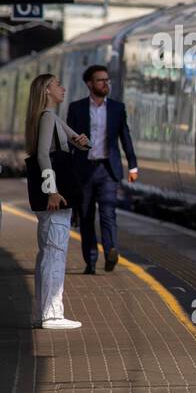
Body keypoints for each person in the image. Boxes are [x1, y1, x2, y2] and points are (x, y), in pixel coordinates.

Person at [24, 73, 90, 329]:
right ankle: (52, 314)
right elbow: (43, 155)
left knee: (47, 253)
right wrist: (52, 190)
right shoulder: (48, 117)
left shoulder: (46, 118)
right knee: (54, 252)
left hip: (48, 196)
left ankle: (42, 313)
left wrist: (83, 142)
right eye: (58, 85)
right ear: (46, 91)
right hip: (54, 196)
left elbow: (80, 143)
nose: (63, 88)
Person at [67, 64, 138, 274]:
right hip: (84, 170)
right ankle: (90, 260)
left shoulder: (117, 108)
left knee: (108, 212)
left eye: (107, 80)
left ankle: (110, 251)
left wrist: (133, 165)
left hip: (108, 169)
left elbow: (125, 138)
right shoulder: (76, 108)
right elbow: (70, 141)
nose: (105, 83)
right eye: (100, 80)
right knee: (87, 216)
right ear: (90, 84)